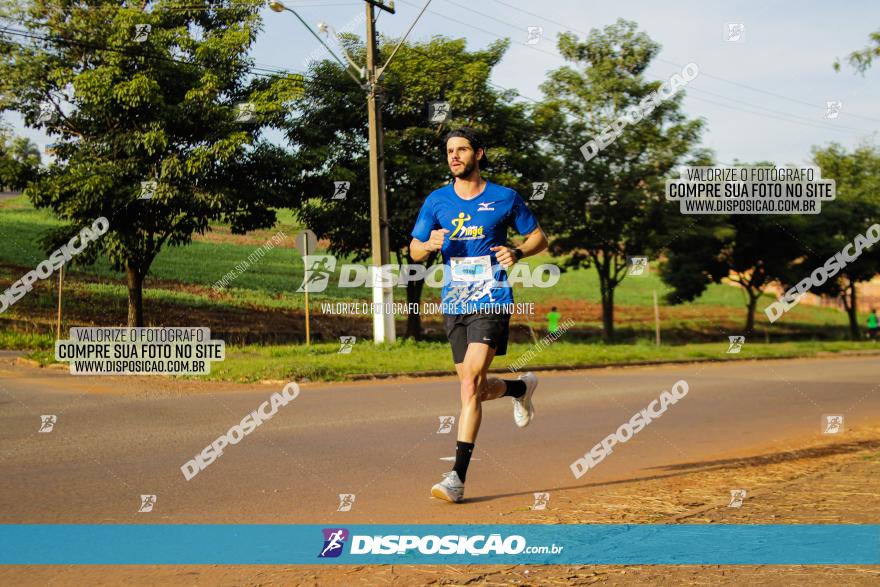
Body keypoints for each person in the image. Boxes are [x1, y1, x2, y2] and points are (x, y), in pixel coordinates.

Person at [410, 127, 549, 503]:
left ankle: (456, 478)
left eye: (462, 149)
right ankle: (519, 388)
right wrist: (427, 245)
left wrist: (518, 253)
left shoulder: (505, 198)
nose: (454, 156)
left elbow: (539, 237)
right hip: (454, 302)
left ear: (479, 154)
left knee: (469, 383)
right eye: (449, 151)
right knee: (472, 387)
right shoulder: (437, 201)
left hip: (492, 298)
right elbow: (413, 250)